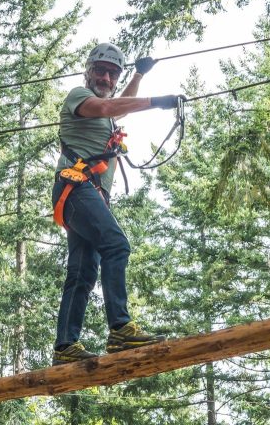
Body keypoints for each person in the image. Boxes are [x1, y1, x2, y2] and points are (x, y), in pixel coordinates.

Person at [50, 42, 182, 366]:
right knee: (117, 245)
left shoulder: (105, 107)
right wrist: (157, 102)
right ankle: (120, 328)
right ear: (88, 70)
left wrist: (137, 74)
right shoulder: (78, 96)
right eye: (101, 71)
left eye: (113, 74)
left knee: (82, 273)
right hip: (76, 187)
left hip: (87, 195)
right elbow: (109, 108)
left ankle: (65, 346)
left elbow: (117, 108)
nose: (106, 78)